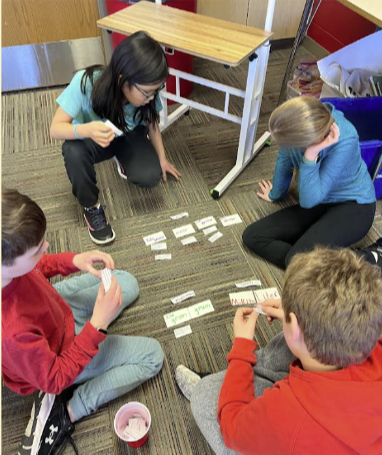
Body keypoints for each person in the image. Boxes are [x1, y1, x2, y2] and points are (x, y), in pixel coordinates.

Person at [176, 247, 382, 454]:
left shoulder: (289, 416)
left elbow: (232, 429)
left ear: (295, 327)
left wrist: (241, 347)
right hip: (343, 409)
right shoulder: (370, 332)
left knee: (204, 396)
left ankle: (241, 378)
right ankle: (255, 374)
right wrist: (299, 314)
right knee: (288, 344)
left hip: (299, 426)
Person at [2, 188, 164, 451]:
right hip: (58, 356)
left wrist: (73, 261)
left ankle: (89, 314)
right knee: (153, 356)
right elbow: (55, 377)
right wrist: (97, 325)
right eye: (36, 250)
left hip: (56, 307)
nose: (47, 247)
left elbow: (37, 268)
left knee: (127, 284)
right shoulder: (10, 335)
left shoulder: (10, 268)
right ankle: (68, 410)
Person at [50, 31, 181, 245]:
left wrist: (163, 158)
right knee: (73, 151)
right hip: (93, 137)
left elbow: (152, 123)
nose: (151, 98)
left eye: (156, 91)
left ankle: (123, 159)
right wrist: (87, 130)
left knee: (150, 176)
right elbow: (55, 129)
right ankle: (91, 207)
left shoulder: (148, 93)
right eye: (147, 92)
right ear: (122, 79)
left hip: (129, 135)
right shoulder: (85, 83)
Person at [242, 96, 376, 269]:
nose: (281, 145)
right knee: (253, 235)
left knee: (294, 261)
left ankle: (365, 260)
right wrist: (276, 193)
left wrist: (310, 155)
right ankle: (308, 262)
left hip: (354, 206)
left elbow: (307, 201)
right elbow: (284, 159)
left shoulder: (346, 138)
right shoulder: (297, 123)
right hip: (318, 199)